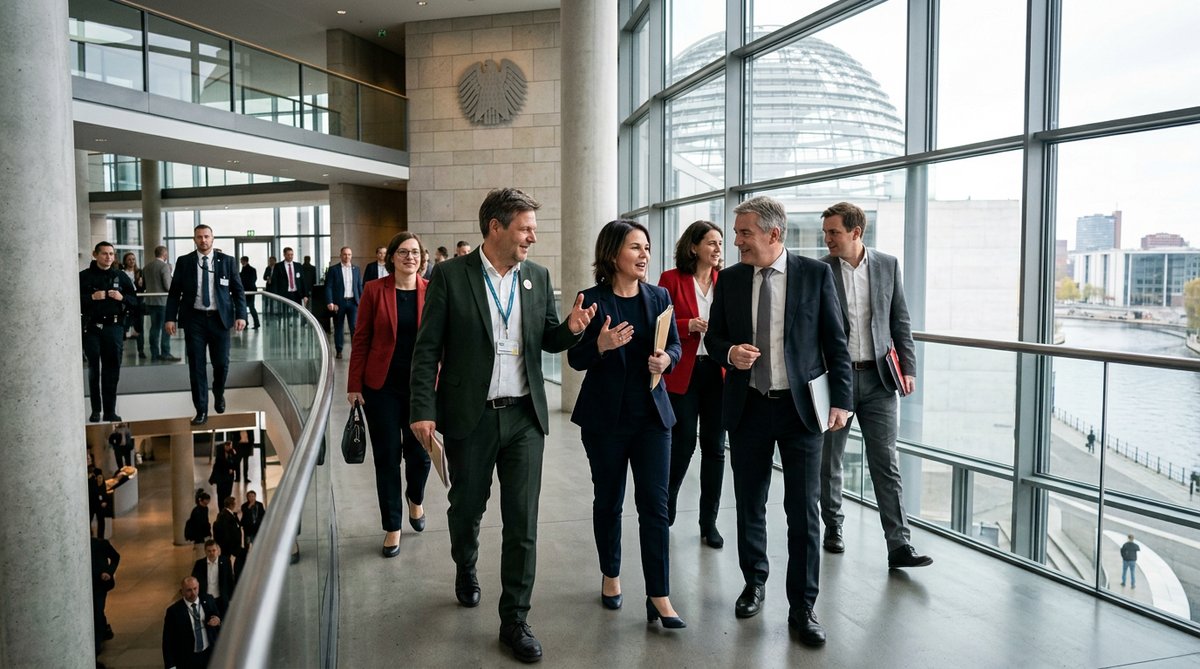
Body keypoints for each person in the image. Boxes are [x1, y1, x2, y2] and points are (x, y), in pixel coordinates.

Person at [410, 187, 596, 663]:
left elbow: (547, 337)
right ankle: (465, 565)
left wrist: (571, 329)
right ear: (495, 227)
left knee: (523, 522)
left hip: (524, 418)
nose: (532, 237)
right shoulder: (451, 277)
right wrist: (422, 409)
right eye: (525, 228)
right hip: (471, 416)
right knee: (466, 507)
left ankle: (515, 618)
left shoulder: (536, 276)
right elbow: (427, 348)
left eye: (533, 229)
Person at [704, 195, 852, 647]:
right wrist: (730, 352)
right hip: (747, 407)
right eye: (736, 233)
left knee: (803, 513)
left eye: (745, 232)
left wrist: (842, 402)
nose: (736, 241)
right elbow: (713, 339)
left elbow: (836, 342)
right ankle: (754, 582)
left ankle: (803, 607)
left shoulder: (814, 274)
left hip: (800, 410)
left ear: (774, 234)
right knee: (749, 503)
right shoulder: (728, 280)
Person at [569, 219, 685, 628]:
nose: (644, 255)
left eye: (647, 248)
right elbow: (575, 358)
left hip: (653, 418)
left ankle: (659, 595)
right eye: (635, 247)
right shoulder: (593, 301)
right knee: (609, 501)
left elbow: (674, 343)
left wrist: (667, 359)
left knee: (655, 506)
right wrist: (599, 345)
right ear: (613, 253)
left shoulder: (659, 296)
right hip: (606, 420)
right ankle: (611, 574)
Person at [818, 201, 932, 570]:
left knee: (886, 462)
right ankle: (833, 527)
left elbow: (900, 319)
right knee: (829, 460)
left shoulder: (887, 265)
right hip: (836, 380)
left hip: (880, 380)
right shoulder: (820, 270)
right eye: (826, 232)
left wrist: (909, 368)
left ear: (855, 232)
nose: (827, 239)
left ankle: (899, 544)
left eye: (833, 232)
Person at [348, 232, 432, 558]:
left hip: (420, 389)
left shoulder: (432, 290)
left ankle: (416, 499)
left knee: (420, 456)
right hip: (380, 388)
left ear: (421, 258)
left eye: (415, 252)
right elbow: (361, 338)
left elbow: (443, 341)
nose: (409, 257)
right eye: (403, 252)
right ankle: (393, 526)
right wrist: (354, 385)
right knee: (386, 457)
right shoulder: (374, 290)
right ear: (392, 257)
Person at [658, 220, 726, 548]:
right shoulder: (671, 280)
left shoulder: (725, 281)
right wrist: (689, 325)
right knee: (682, 445)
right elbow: (660, 323)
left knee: (714, 448)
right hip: (684, 372)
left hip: (717, 372)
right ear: (694, 246)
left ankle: (708, 522)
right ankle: (665, 508)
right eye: (711, 243)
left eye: (720, 244)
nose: (717, 249)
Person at [164, 224, 248, 426]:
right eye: (199, 237)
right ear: (194, 239)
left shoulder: (227, 261)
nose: (203, 240)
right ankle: (201, 409)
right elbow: (175, 292)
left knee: (221, 364)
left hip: (220, 320)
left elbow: (238, 291)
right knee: (196, 366)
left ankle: (218, 393)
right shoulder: (184, 262)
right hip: (194, 320)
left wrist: (241, 315)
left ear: (213, 238)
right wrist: (170, 318)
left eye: (206, 236)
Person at [80, 241, 138, 422]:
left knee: (112, 370)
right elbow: (72, 300)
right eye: (104, 253)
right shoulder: (84, 276)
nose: (108, 257)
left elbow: (135, 301)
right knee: (94, 369)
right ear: (95, 254)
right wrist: (91, 297)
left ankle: (110, 410)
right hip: (92, 328)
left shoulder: (120, 276)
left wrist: (122, 298)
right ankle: (96, 410)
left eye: (111, 254)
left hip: (114, 328)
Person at [162, 576, 221, 669]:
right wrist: (171, 665)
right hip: (188, 658)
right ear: (182, 592)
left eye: (195, 588)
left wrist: (217, 619)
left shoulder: (208, 599)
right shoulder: (174, 611)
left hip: (208, 653)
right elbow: (168, 640)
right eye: (189, 590)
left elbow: (216, 614)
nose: (193, 593)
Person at [325, 246, 364, 360]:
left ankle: (355, 351)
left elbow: (359, 286)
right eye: (345, 254)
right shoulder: (333, 269)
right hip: (339, 303)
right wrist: (330, 302)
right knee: (339, 327)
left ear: (351, 256)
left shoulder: (356, 269)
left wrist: (361, 301)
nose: (347, 257)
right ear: (340, 255)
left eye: (349, 254)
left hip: (353, 303)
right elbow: (328, 287)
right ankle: (339, 350)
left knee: (355, 328)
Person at [143, 245, 179, 361]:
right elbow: (168, 286)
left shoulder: (147, 267)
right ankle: (165, 352)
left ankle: (154, 353)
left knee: (154, 328)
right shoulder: (164, 267)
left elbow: (143, 285)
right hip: (163, 302)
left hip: (150, 301)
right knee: (166, 328)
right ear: (164, 254)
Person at [91, 536, 120, 651]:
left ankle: (97, 647)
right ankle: (103, 630)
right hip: (87, 586)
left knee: (97, 612)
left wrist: (108, 572)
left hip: (99, 586)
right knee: (96, 612)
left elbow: (115, 557)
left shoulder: (100, 544)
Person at [191, 540, 236, 611]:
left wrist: (231, 598)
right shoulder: (199, 564)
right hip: (206, 600)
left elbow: (230, 580)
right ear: (205, 551)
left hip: (221, 599)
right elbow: (194, 582)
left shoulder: (226, 562)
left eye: (214, 550)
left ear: (218, 550)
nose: (211, 553)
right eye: (209, 551)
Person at [120, 252, 148, 359]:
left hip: (138, 303)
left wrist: (141, 284)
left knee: (139, 327)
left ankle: (141, 350)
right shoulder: (122, 273)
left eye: (133, 259)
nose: (132, 261)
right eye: (129, 259)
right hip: (126, 303)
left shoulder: (139, 272)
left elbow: (144, 288)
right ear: (125, 261)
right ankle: (120, 349)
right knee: (124, 326)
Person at [212, 495, 245, 572]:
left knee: (227, 559)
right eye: (234, 504)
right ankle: (233, 573)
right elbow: (225, 531)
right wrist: (228, 544)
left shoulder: (229, 514)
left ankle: (229, 572)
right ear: (231, 505)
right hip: (230, 544)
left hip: (230, 544)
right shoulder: (225, 515)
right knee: (230, 558)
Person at [87, 451, 109, 539]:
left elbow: (102, 487)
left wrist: (104, 500)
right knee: (88, 520)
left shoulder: (97, 472)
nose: (88, 460)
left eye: (88, 458)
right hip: (89, 501)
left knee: (101, 520)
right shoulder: (80, 472)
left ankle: (101, 538)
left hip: (98, 501)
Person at [210, 442, 238, 507]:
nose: (229, 448)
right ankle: (221, 508)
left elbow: (236, 463)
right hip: (221, 478)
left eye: (230, 446)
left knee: (228, 493)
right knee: (220, 495)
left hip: (229, 478)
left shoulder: (232, 453)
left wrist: (232, 468)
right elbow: (219, 464)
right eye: (227, 446)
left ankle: (226, 507)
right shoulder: (220, 454)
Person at [238, 256, 260, 329]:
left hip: (248, 291)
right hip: (249, 291)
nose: (241, 262)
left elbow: (250, 280)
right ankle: (253, 323)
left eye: (242, 261)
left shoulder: (248, 270)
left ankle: (250, 323)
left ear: (245, 261)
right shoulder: (250, 270)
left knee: (249, 307)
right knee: (250, 307)